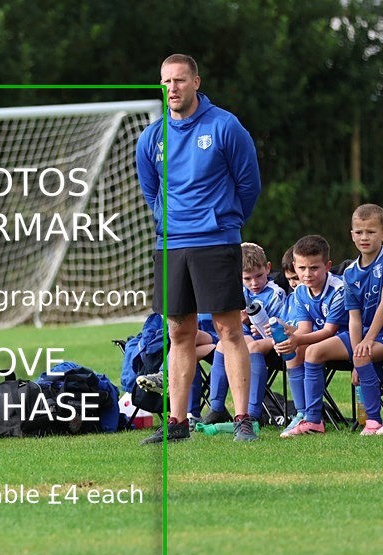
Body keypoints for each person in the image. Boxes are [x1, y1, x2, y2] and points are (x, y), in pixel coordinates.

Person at [135, 54, 262, 444]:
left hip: (216, 241)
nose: (171, 88)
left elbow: (249, 185)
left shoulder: (225, 126)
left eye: (179, 80)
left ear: (195, 82)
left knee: (228, 329)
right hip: (171, 245)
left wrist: (223, 221)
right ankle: (177, 424)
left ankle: (243, 419)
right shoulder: (152, 137)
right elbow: (151, 191)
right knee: (179, 332)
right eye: (165, 82)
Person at [281, 205, 383, 437]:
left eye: (371, 231)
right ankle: (312, 420)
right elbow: (354, 317)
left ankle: (372, 421)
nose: (364, 237)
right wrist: (357, 343)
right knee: (312, 352)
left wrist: (364, 344)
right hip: (365, 332)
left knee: (362, 355)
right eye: (359, 232)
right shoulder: (349, 273)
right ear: (352, 235)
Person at [201, 242, 286, 426]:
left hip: (274, 340)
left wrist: (260, 325)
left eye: (259, 276)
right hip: (246, 339)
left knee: (251, 345)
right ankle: (217, 408)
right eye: (247, 278)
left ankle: (254, 413)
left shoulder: (275, 293)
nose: (254, 283)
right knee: (224, 343)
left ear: (268, 268)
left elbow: (282, 325)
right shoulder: (238, 291)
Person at [272, 236, 347, 435]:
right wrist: (288, 337)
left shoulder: (339, 290)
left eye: (314, 268)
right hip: (323, 340)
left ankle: (314, 420)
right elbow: (305, 329)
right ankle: (301, 413)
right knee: (294, 352)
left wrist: (297, 339)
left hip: (350, 338)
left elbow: (329, 330)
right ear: (294, 266)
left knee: (311, 350)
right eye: (302, 268)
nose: (307, 274)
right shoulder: (300, 293)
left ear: (327, 266)